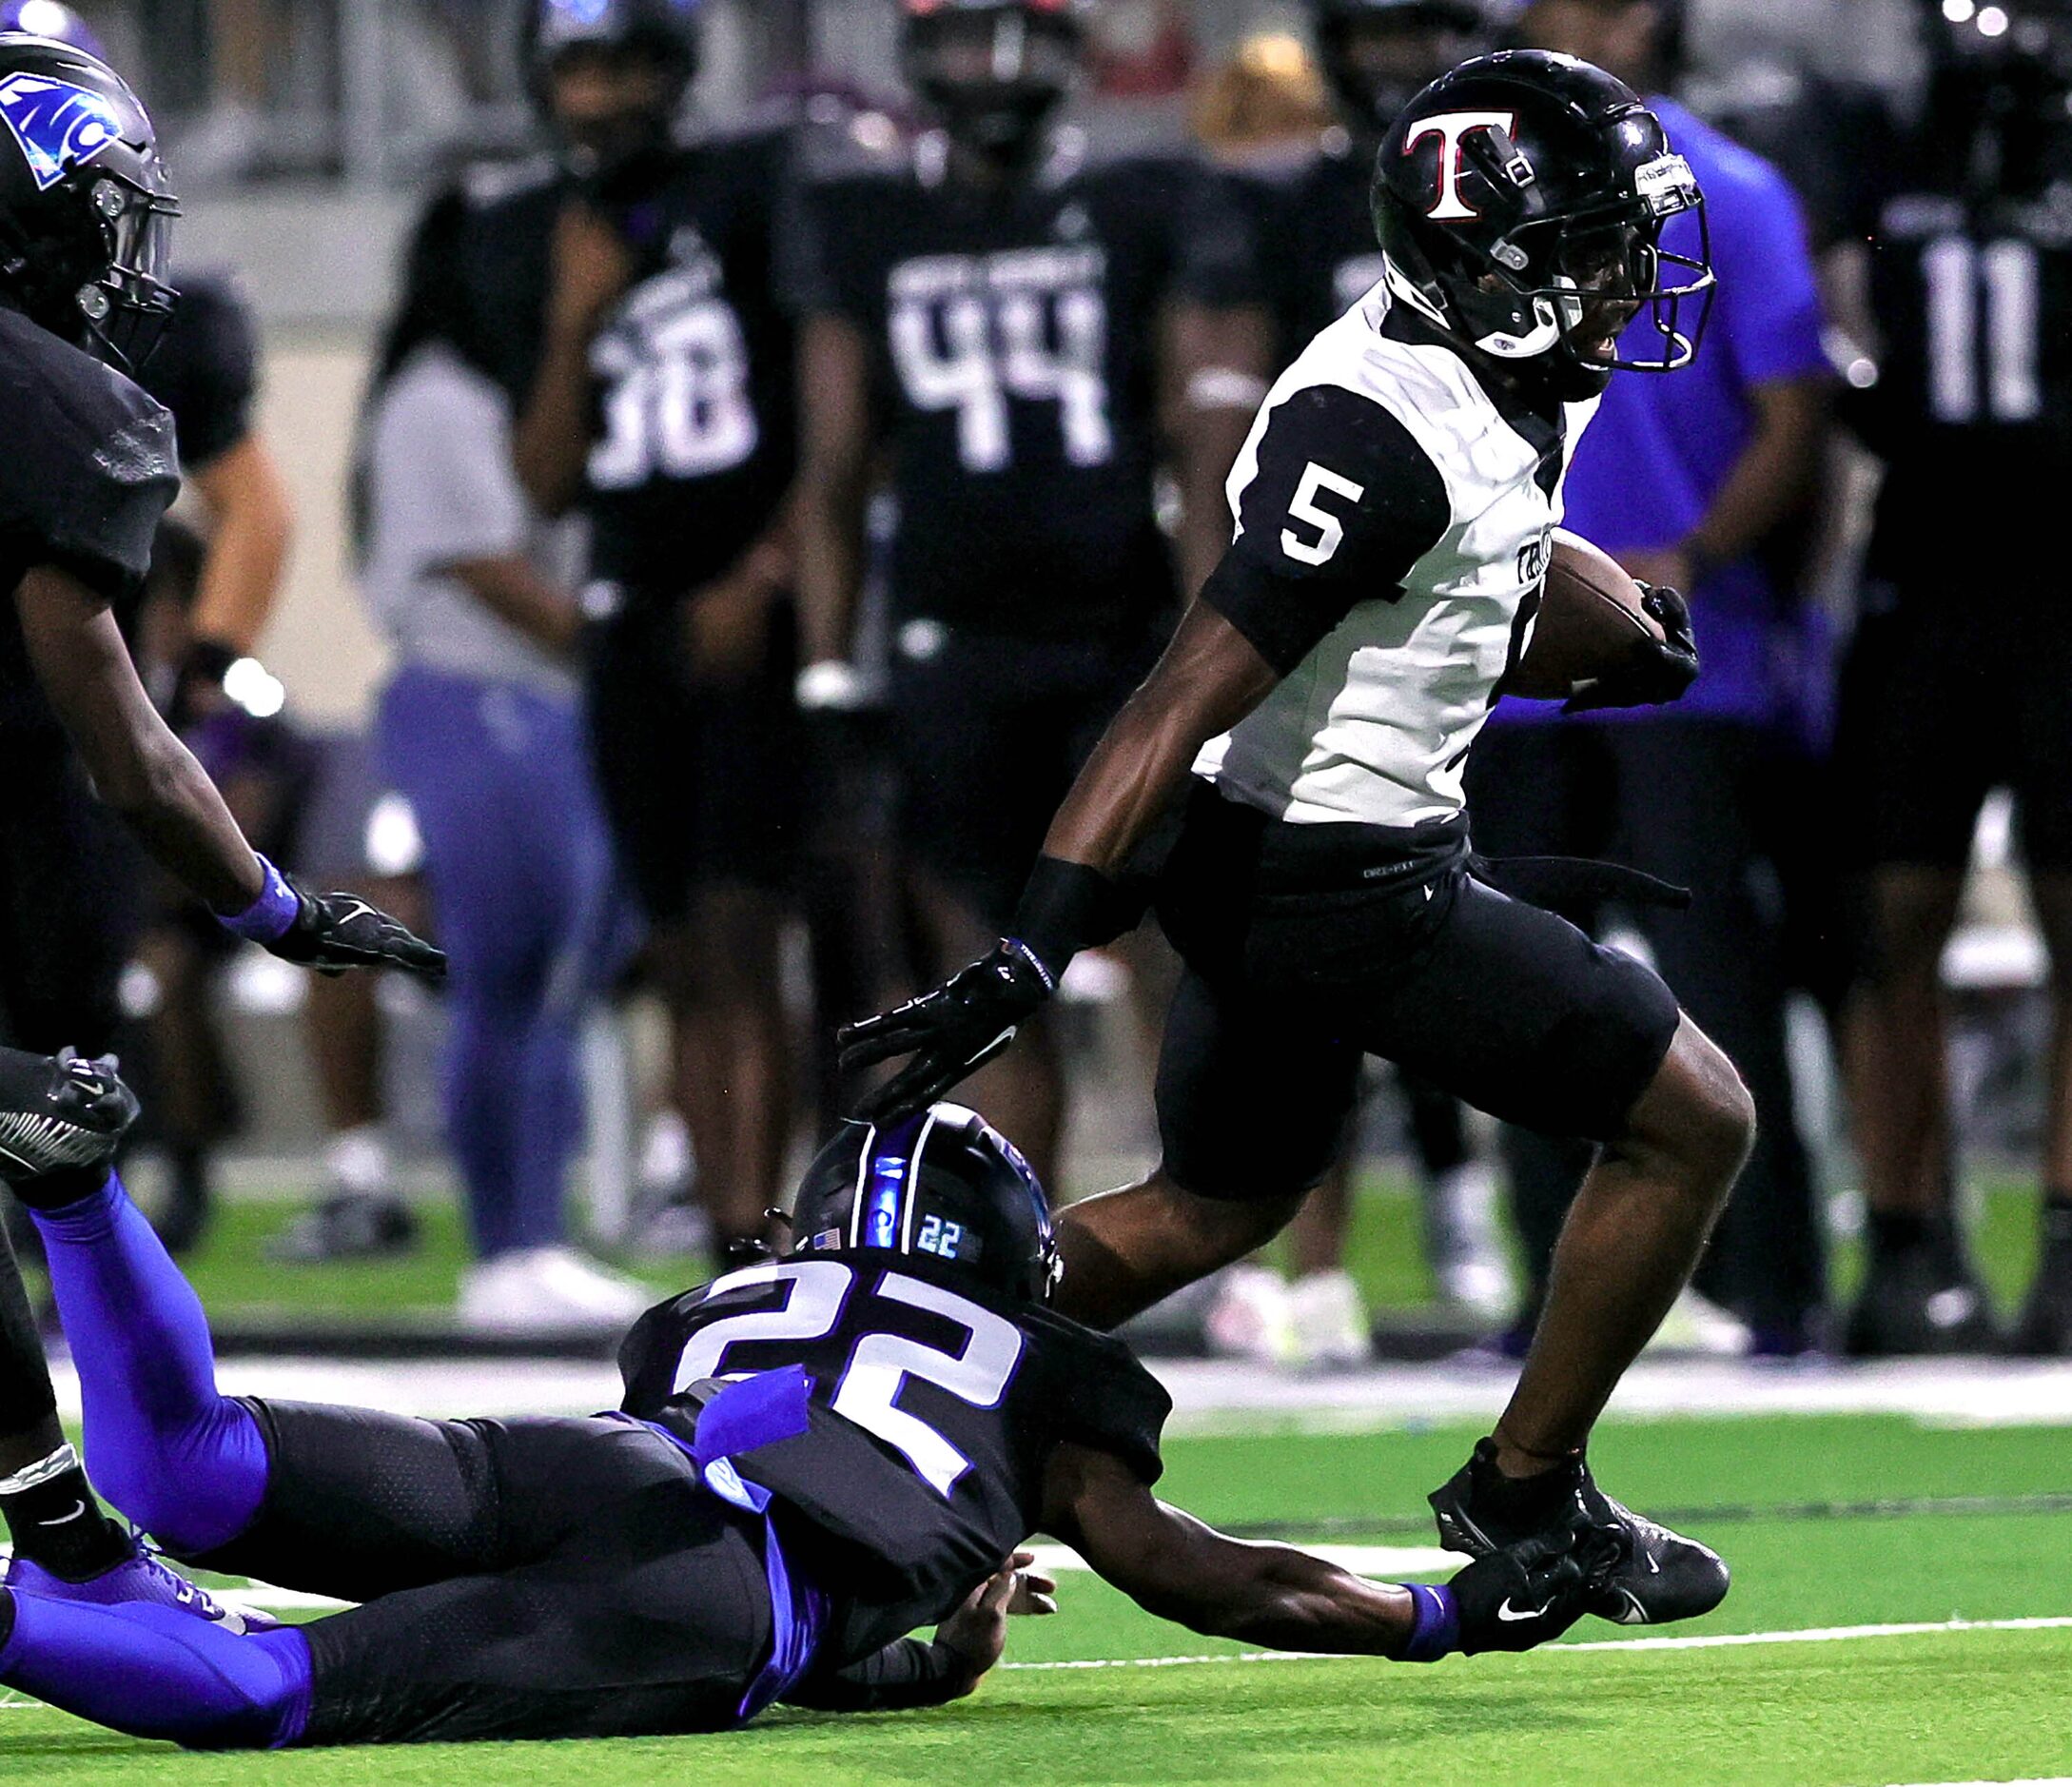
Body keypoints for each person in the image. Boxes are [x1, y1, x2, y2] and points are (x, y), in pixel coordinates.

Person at [843, 49, 1749, 1627]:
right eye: (1595, 241)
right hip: (1335, 882)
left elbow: (1474, 556)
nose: (1625, 273)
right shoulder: (1378, 433)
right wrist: (1031, 950)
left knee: (1213, 1201)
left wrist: (1585, 616)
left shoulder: (1495, 362)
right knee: (1692, 1116)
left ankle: (871, 1350)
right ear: (1497, 259)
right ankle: (1528, 1492)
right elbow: (1172, 698)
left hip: (1296, 854)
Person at [0, 1057, 1609, 1748]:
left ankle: (77, 1201)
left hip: (601, 1462)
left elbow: (733, 1474)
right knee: (257, 1689)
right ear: (1010, 1252)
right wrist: (1434, 1611)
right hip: (706, 1592)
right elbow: (1209, 1574)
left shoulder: (721, 1306)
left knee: (188, 1460)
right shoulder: (1037, 1368)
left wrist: (926, 1656)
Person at [0, 33, 440, 1633]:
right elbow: (127, 755)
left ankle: (54, 1531)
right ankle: (62, 1547)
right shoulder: (55, 403)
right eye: (102, 206)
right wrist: (275, 910)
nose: (127, 247)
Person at [792, 0, 1272, 1194]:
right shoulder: (869, 216)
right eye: (965, 41)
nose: (991, 74)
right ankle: (1025, 1246)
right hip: (953, 643)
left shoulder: (1142, 202)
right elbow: (834, 461)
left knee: (1176, 938)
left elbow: (1192, 436)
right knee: (979, 956)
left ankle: (1195, 1215)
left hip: (1116, 634)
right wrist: (828, 668)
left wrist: (1207, 639)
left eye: (1017, 42)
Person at [1467, 0, 1832, 1357]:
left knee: (1713, 977)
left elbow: (1794, 409)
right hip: (1504, 658)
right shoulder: (1483, 178)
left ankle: (1773, 1281)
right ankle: (1551, 1289)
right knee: (1506, 985)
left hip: (1682, 654)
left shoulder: (1727, 190)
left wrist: (1691, 550)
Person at [485, 0, 804, 1271]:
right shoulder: (526, 236)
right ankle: (722, 1231)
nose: (602, 94)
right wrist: (573, 316)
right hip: (630, 622)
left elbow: (836, 413)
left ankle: (755, 1224)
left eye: (625, 64)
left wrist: (769, 568)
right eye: (579, 67)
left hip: (757, 613)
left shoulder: (753, 191)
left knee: (744, 931)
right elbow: (546, 483)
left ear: (674, 72)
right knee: (673, 944)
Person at [358, 184, 643, 1332]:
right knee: (507, 971)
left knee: (553, 985)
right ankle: (502, 1247)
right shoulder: (437, 396)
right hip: (477, 698)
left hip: (531, 705)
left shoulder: (499, 391)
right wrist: (641, 643)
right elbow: (500, 576)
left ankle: (536, 1232)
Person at [1834, 0, 2072, 1356]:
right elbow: (1833, 339)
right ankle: (1907, 1232)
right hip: (1919, 586)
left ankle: (2058, 1238)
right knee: (1892, 915)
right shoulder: (1882, 154)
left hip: (2056, 595)